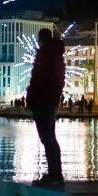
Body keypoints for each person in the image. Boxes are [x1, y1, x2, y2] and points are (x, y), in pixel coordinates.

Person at [26, 28, 66, 185]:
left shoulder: (45, 54)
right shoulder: (58, 55)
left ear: (41, 39)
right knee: (51, 137)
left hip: (43, 100)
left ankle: (54, 174)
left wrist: (30, 99)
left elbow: (38, 79)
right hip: (52, 99)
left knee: (46, 138)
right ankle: (56, 172)